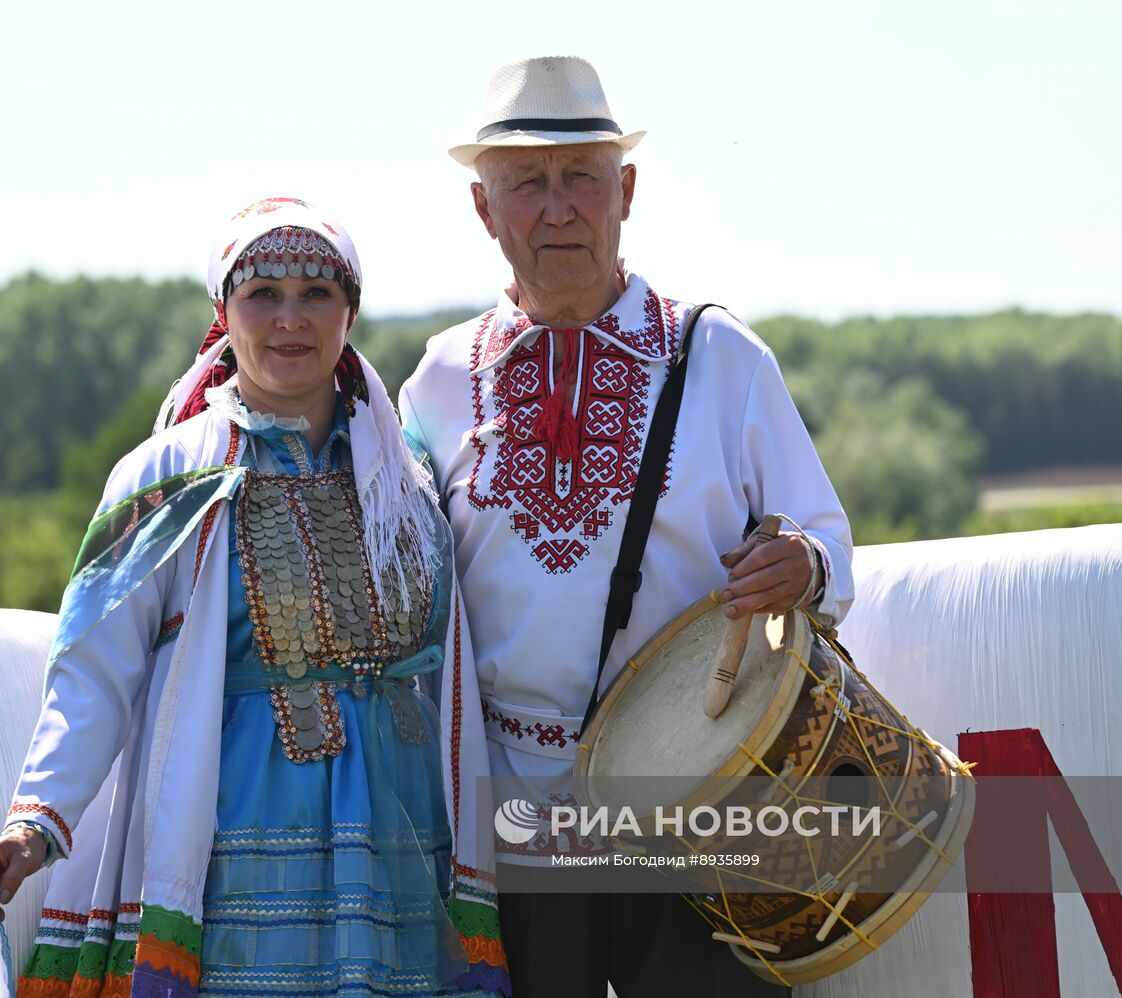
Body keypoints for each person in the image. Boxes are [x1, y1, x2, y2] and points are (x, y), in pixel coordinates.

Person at [0, 198, 510, 998]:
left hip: (401, 836)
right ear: (223, 313)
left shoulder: (406, 482)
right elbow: (94, 669)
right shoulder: (168, 476)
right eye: (263, 294)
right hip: (241, 831)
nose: (290, 319)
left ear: (349, 312)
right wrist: (36, 821)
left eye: (316, 294)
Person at [398, 57, 854, 996]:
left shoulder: (719, 354)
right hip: (514, 817)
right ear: (485, 210)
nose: (557, 208)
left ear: (627, 193)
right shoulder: (439, 381)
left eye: (582, 178)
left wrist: (800, 566)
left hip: (701, 796)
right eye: (526, 183)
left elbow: (828, 542)